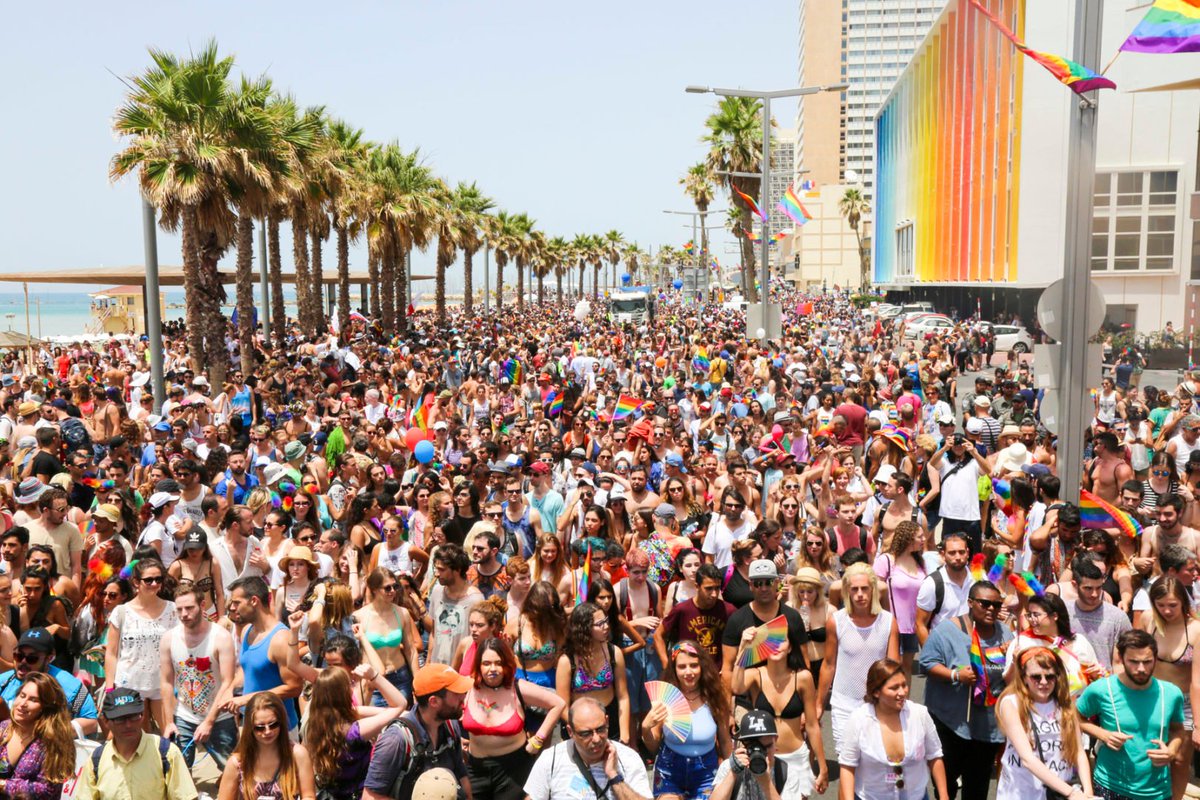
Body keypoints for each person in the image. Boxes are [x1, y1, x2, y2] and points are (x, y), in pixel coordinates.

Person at [918, 581, 1014, 800]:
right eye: (985, 604)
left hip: (987, 726)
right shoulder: (947, 631)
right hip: (951, 723)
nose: (991, 609)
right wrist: (955, 675)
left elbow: (1014, 677)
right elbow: (926, 663)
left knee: (977, 785)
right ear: (970, 603)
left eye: (997, 605)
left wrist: (1013, 656)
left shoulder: (1005, 634)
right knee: (947, 781)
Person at [1077, 630, 1186, 800]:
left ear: (1155, 659)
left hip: (1157, 790)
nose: (1141, 669)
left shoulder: (1171, 693)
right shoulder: (1102, 689)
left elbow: (1178, 730)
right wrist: (1103, 734)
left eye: (1147, 662)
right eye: (1134, 662)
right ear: (1121, 658)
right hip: (1111, 786)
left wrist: (1171, 752)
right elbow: (1074, 717)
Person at [732, 620, 829, 798]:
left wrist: (822, 766)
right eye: (771, 641)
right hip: (764, 759)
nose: (776, 646)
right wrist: (743, 648)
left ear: (790, 647)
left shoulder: (803, 677)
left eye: (781, 640)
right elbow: (736, 687)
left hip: (796, 757)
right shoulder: (755, 675)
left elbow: (812, 725)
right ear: (764, 647)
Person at [463, 637, 566, 800]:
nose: (492, 669)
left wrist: (538, 739)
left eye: (498, 663)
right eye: (486, 663)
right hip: (476, 769)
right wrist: (457, 739)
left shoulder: (517, 688)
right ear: (478, 665)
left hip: (514, 770)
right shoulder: (468, 688)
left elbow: (558, 704)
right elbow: (446, 708)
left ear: (506, 664)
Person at [839, 659, 950, 800]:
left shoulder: (920, 714)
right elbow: (847, 766)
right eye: (894, 688)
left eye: (904, 685)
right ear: (876, 692)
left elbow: (934, 756)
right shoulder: (858, 719)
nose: (902, 692)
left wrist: (944, 795)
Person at [819, 562, 900, 752]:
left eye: (865, 588)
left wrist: (895, 702)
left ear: (873, 590)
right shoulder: (836, 621)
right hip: (844, 704)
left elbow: (893, 667)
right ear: (847, 591)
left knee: (876, 759)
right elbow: (829, 665)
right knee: (846, 759)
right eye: (854, 589)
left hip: (877, 704)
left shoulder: (888, 621)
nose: (860, 594)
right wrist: (818, 704)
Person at [361, 663, 473, 800]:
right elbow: (369, 797)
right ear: (434, 702)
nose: (463, 697)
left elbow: (461, 773)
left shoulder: (450, 725)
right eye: (456, 693)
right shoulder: (396, 740)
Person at [995, 647, 1093, 800]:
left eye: (1050, 677)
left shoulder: (1065, 705)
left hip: (1058, 791)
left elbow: (1079, 752)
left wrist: (1088, 792)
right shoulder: (1011, 703)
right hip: (1022, 792)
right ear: (1024, 677)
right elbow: (1027, 759)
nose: (1044, 682)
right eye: (1036, 677)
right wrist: (1071, 793)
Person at [159, 586, 238, 770]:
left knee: (231, 770)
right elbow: (166, 682)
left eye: (189, 608)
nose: (184, 614)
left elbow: (228, 682)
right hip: (184, 716)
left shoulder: (221, 637)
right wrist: (169, 722)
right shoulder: (169, 638)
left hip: (219, 716)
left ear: (202, 605)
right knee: (178, 771)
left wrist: (209, 722)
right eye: (179, 609)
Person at [641, 641, 731, 800]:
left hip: (706, 772)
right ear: (674, 669)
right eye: (682, 667)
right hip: (669, 769)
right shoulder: (665, 696)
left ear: (702, 666)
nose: (688, 672)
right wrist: (645, 728)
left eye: (694, 665)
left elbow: (724, 741)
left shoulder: (715, 696)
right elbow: (653, 747)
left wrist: (732, 770)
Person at [1136, 577, 1200, 799]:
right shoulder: (1148, 619)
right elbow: (1133, 656)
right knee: (1148, 753)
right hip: (1152, 698)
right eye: (1160, 604)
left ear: (1183, 602)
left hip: (1185, 702)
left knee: (1180, 760)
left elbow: (1197, 681)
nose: (1166, 610)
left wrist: (1198, 724)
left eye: (1172, 605)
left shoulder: (1195, 630)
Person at [77, 687, 197, 800]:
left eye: (134, 717)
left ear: (143, 716)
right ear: (106, 721)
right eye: (120, 719)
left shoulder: (167, 753)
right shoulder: (96, 761)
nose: (128, 725)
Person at [303, 667, 404, 800]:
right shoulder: (354, 731)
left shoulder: (314, 726)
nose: (353, 688)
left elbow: (398, 711)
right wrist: (374, 676)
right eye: (350, 684)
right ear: (343, 692)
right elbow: (400, 705)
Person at [523, 696, 652, 800]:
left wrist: (614, 776)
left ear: (607, 722)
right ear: (570, 732)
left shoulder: (628, 758)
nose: (596, 739)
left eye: (600, 729)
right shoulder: (551, 760)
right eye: (586, 734)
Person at [104, 557, 178, 732]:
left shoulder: (173, 610)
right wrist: (109, 687)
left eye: (159, 579)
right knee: (133, 737)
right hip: (129, 682)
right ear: (136, 582)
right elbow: (111, 652)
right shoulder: (121, 612)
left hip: (163, 683)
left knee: (169, 734)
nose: (154, 584)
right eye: (149, 580)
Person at [222, 575, 303, 732]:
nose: (232, 607)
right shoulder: (246, 630)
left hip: (278, 729)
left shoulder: (280, 639)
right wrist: (230, 689)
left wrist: (247, 699)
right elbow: (247, 668)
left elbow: (294, 687)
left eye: (237, 602)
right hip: (252, 725)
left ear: (254, 601)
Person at [720, 560, 809, 687]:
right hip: (747, 693)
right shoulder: (736, 620)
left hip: (785, 690)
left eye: (769, 582)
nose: (764, 588)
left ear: (777, 583)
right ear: (750, 585)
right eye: (758, 583)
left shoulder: (792, 617)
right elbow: (727, 669)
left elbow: (804, 661)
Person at [0, 626, 98, 737]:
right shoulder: (3, 681)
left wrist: (48, 734)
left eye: (32, 658)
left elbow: (92, 722)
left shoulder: (70, 686)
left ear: (49, 658)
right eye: (19, 656)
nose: (23, 662)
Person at [217, 692, 317, 800]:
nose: (267, 731)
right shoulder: (237, 763)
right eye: (260, 727)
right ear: (250, 727)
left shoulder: (297, 754)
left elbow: (308, 796)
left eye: (273, 724)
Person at [556, 601, 630, 743]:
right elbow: (562, 705)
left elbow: (623, 697)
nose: (606, 626)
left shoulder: (614, 653)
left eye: (606, 621)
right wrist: (580, 729)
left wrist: (625, 734)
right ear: (584, 629)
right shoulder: (567, 661)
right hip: (579, 726)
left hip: (609, 721)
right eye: (599, 624)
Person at [0, 672, 76, 800]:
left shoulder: (54, 742)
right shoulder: (4, 729)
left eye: (33, 700)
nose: (23, 703)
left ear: (46, 706)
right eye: (22, 696)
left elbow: (48, 790)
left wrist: (4, 785)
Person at [356, 567, 420, 705]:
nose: (393, 591)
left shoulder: (402, 613)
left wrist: (418, 684)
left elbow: (411, 650)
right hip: (373, 682)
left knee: (401, 717)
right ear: (374, 589)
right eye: (387, 588)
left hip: (400, 678)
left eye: (395, 586)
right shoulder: (360, 616)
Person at [1064, 555, 1131, 673]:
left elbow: (1123, 660)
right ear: (1075, 585)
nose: (1094, 594)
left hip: (1105, 681)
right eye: (1088, 588)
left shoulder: (1118, 617)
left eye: (1099, 588)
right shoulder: (1063, 612)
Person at [426, 543, 484, 666]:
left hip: (461, 669)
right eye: (436, 568)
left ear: (457, 570)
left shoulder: (475, 600)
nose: (437, 574)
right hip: (436, 667)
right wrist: (428, 663)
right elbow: (433, 633)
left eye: (442, 569)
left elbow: (479, 640)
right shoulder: (437, 592)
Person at [707, 710, 784, 800]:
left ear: (775, 740)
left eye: (766, 746)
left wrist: (766, 783)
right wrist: (733, 772)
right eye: (752, 747)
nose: (760, 753)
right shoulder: (729, 766)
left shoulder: (784, 770)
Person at [915, 531, 975, 645]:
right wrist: (931, 654)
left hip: (973, 647)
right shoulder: (932, 584)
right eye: (952, 553)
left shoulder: (978, 579)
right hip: (943, 647)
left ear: (967, 553)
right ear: (943, 555)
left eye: (961, 552)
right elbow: (920, 624)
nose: (958, 557)